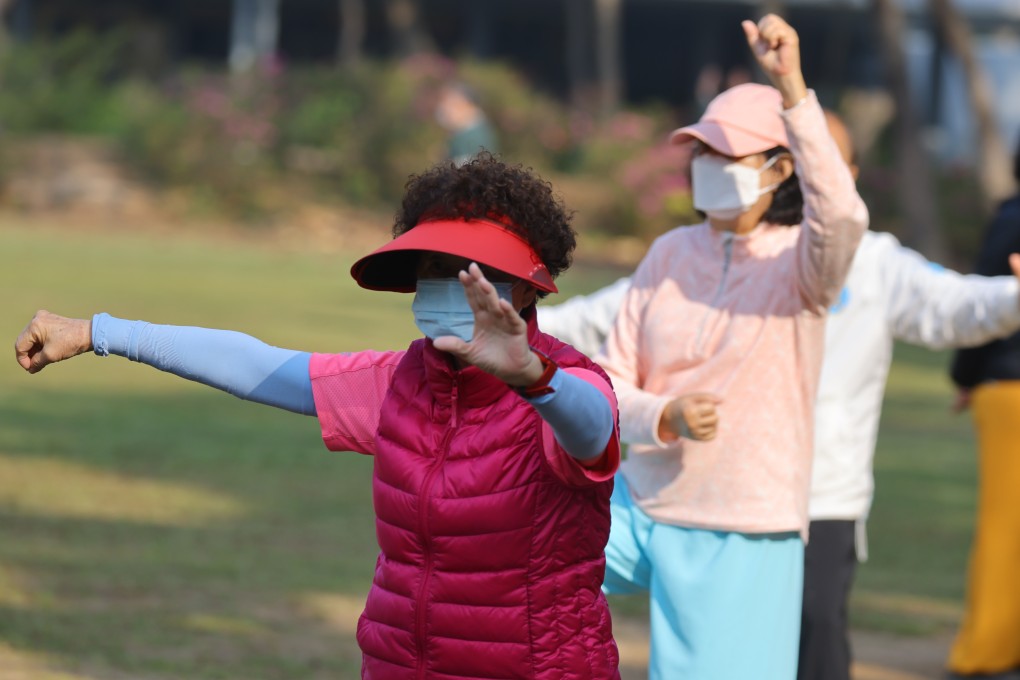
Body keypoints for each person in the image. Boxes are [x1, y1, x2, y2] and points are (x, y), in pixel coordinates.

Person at [14, 154, 623, 680]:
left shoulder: (568, 383)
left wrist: (531, 378)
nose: (451, 285)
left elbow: (593, 429)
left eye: (474, 273)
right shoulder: (401, 381)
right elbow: (257, 364)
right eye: (433, 271)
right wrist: (100, 332)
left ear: (524, 289)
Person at [541, 112, 1020, 680]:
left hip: (822, 493)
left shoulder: (862, 260)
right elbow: (604, 320)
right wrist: (513, 326)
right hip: (696, 490)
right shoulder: (685, 255)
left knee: (814, 639)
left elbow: (956, 308)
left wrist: (1014, 300)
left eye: (827, 159)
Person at [568, 14, 869, 679]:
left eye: (727, 155)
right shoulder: (669, 253)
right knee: (515, 577)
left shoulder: (803, 268)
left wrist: (791, 87)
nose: (707, 167)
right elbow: (611, 377)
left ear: (779, 168)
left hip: (740, 525)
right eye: (701, 152)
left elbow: (842, 214)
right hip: (633, 503)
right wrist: (662, 417)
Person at [947, 139, 1020, 680]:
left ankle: (988, 652)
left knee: (1006, 523)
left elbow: (982, 304)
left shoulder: (1013, 218)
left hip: (1010, 388)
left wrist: (966, 377)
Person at [434, 83, 498, 166]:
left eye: (452, 105)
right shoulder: (463, 132)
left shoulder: (475, 135)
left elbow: (462, 170)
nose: (447, 110)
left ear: (468, 104)